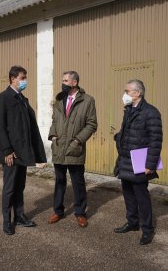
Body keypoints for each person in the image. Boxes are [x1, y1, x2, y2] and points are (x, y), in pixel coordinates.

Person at [0, 65, 47, 235]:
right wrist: (7, 150)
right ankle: (7, 221)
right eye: (22, 78)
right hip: (11, 153)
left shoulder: (23, 99)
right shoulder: (2, 98)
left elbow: (29, 127)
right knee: (9, 187)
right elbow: (0, 127)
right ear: (12, 79)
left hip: (22, 151)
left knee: (20, 186)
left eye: (25, 78)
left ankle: (20, 216)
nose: (25, 81)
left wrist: (36, 152)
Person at [113, 79, 163, 245]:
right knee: (128, 194)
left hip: (140, 160)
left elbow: (156, 141)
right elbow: (127, 132)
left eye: (127, 91)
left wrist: (150, 164)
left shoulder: (151, 112)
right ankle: (132, 222)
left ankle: (147, 229)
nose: (125, 94)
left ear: (137, 93)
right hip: (126, 159)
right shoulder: (128, 109)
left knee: (141, 196)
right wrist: (118, 137)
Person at [47, 71, 97, 228]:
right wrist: (53, 136)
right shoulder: (59, 100)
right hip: (59, 147)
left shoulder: (87, 101)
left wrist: (77, 140)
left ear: (75, 82)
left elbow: (91, 124)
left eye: (66, 80)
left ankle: (80, 213)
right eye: (62, 80)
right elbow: (54, 121)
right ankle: (58, 211)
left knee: (78, 182)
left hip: (75, 148)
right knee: (59, 181)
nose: (63, 83)